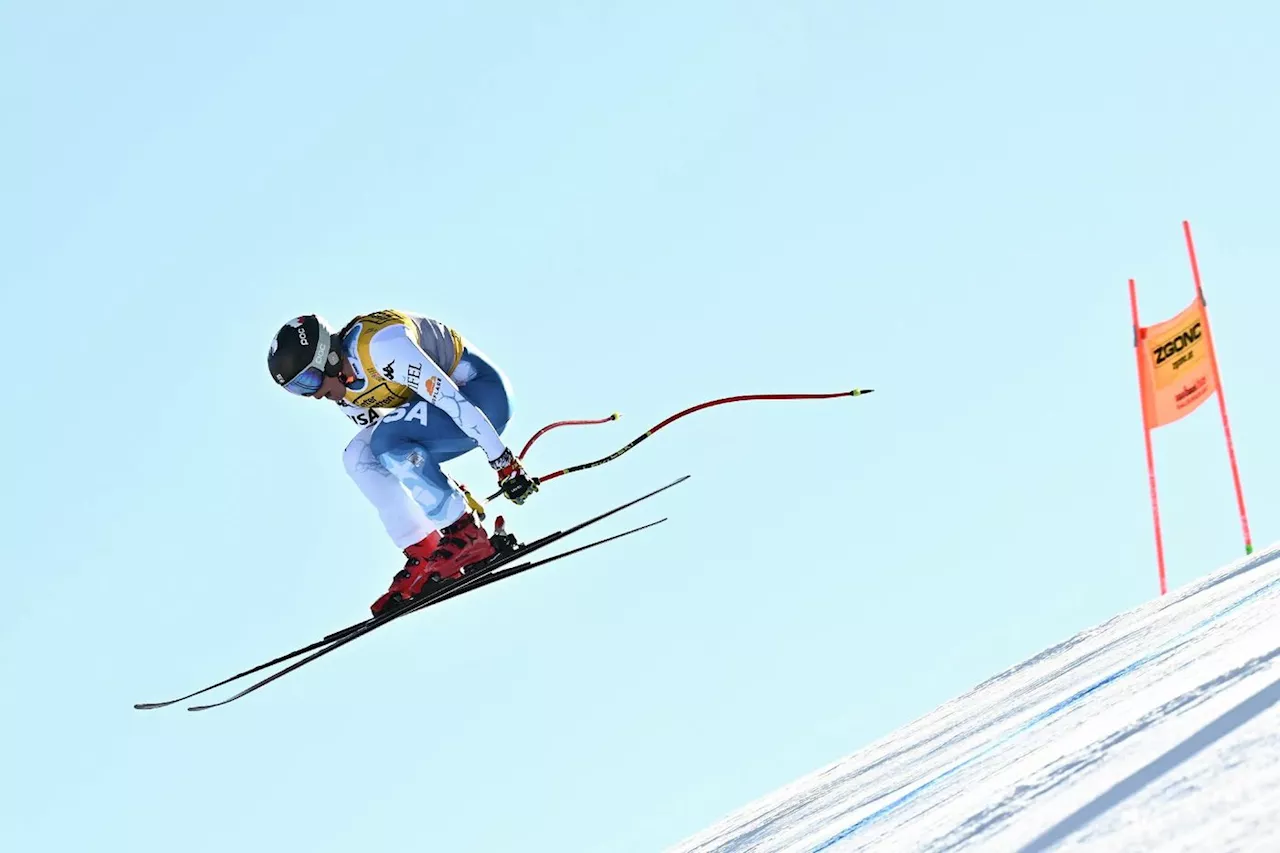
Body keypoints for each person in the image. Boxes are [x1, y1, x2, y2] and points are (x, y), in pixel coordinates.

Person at [266, 310, 537, 615]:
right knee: (359, 457)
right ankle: (424, 548)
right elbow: (399, 449)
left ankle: (466, 535)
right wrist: (450, 491)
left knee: (385, 442)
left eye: (309, 380)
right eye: (299, 390)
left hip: (482, 398)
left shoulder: (381, 347)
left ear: (328, 357)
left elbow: (449, 399)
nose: (313, 395)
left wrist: (503, 462)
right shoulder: (342, 389)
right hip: (441, 414)